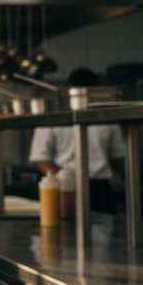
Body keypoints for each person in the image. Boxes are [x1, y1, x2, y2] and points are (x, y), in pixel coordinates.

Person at [29, 67, 126, 214]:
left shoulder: (108, 119)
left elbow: (119, 159)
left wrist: (133, 188)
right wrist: (63, 181)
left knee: (105, 231)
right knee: (66, 232)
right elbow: (39, 158)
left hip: (99, 189)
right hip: (64, 187)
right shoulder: (53, 118)